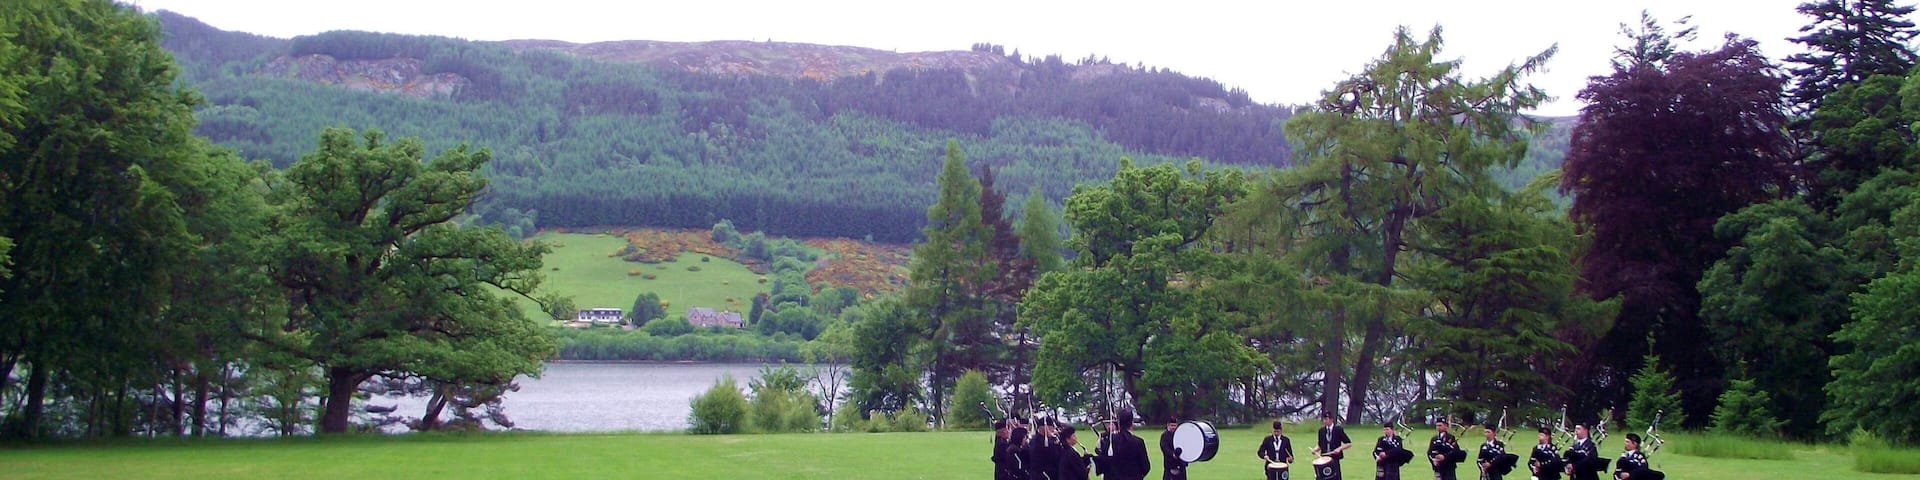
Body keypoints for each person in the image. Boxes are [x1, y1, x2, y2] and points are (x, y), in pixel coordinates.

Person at [1096, 409, 1152, 480]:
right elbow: (1145, 467)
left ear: (1119, 423)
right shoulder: (1138, 442)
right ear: (1132, 423)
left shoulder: (1110, 440)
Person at [1312, 412, 1354, 480]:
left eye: (1326, 419)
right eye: (1324, 419)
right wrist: (1315, 450)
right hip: (1323, 459)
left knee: (1335, 477)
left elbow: (1348, 443)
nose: (1324, 421)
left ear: (1331, 420)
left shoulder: (1338, 430)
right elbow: (1320, 445)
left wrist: (1339, 449)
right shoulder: (1321, 431)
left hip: (1334, 459)